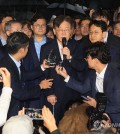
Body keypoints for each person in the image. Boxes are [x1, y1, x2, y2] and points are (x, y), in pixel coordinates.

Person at [56, 42, 120, 123]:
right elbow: (83, 88)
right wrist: (65, 76)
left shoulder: (116, 77)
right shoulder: (93, 73)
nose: (86, 59)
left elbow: (118, 106)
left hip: (117, 120)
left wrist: (97, 106)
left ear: (96, 61)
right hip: (101, 118)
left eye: (87, 57)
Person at [0, 32, 53, 119]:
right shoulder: (6, 67)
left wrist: (42, 67)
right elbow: (19, 93)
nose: (28, 50)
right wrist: (40, 86)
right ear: (21, 50)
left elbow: (23, 75)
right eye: (27, 48)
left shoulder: (13, 60)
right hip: (8, 112)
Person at [40, 15, 82, 124]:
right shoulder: (46, 47)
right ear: (54, 31)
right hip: (55, 95)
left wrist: (70, 57)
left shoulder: (78, 46)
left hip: (73, 95)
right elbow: (45, 73)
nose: (63, 32)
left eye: (67, 29)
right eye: (60, 29)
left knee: (72, 126)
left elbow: (82, 68)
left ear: (72, 31)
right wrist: (49, 93)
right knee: (54, 125)